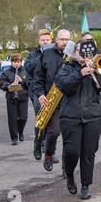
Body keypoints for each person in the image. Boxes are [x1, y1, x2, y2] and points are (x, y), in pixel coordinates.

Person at [56, 40, 101, 200]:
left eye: (87, 52)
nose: (84, 54)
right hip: (70, 116)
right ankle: (70, 174)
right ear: (74, 53)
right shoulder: (66, 68)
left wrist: (95, 72)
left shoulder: (98, 68)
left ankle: (86, 185)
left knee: (89, 152)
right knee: (72, 151)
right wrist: (80, 73)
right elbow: (63, 85)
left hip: (93, 116)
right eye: (80, 51)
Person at [33, 29, 71, 172]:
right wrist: (40, 94)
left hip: (69, 101)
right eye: (62, 39)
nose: (65, 42)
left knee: (69, 136)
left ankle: (66, 168)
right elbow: (38, 78)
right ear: (56, 40)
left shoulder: (74, 55)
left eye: (67, 40)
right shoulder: (46, 55)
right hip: (52, 101)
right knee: (54, 132)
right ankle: (48, 154)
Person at [25, 29, 53, 160]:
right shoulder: (33, 55)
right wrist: (43, 55)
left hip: (53, 91)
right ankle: (38, 143)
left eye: (47, 39)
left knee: (52, 122)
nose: (45, 41)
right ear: (39, 41)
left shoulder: (55, 54)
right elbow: (29, 68)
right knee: (41, 119)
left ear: (51, 40)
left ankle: (49, 150)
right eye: (43, 40)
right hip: (37, 92)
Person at [0, 53, 29, 145]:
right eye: (14, 62)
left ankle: (21, 131)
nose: (16, 64)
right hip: (11, 98)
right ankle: (14, 137)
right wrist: (9, 86)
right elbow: (2, 84)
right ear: (11, 62)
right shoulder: (6, 72)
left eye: (18, 62)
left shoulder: (26, 71)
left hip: (23, 97)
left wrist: (22, 81)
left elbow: (30, 83)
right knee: (12, 119)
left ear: (21, 62)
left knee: (23, 118)